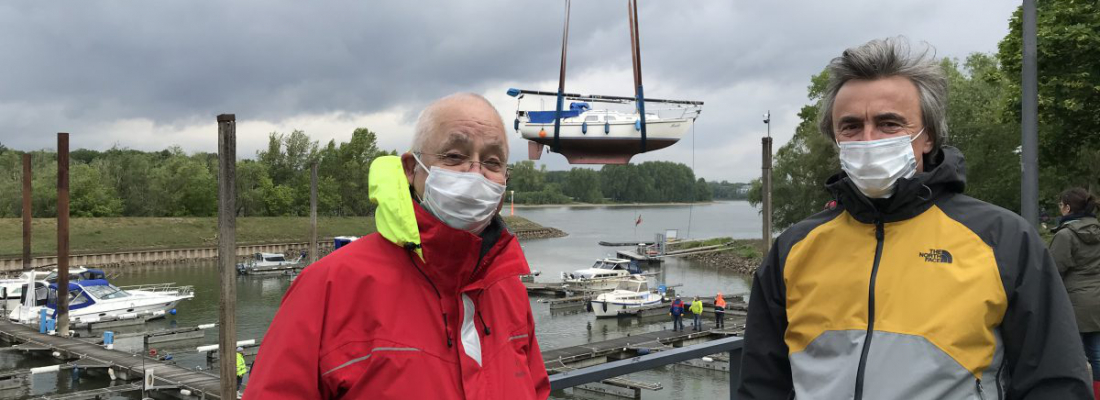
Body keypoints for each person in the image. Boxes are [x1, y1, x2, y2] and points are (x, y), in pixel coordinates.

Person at [738, 37, 1091, 399]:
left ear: (928, 137)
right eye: (851, 127)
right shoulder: (793, 249)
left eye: (889, 124)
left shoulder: (1004, 240)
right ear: (836, 138)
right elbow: (761, 385)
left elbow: (1055, 382)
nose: (868, 139)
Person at [244, 93, 551, 399]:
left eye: (492, 162)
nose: (475, 173)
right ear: (411, 168)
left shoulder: (508, 288)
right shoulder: (329, 286)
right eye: (454, 156)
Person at [1050, 188, 1100, 397]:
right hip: (1098, 298)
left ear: (1068, 208)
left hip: (1073, 301)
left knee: (1073, 355)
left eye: (1061, 205)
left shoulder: (1066, 235)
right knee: (1097, 354)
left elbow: (1053, 269)